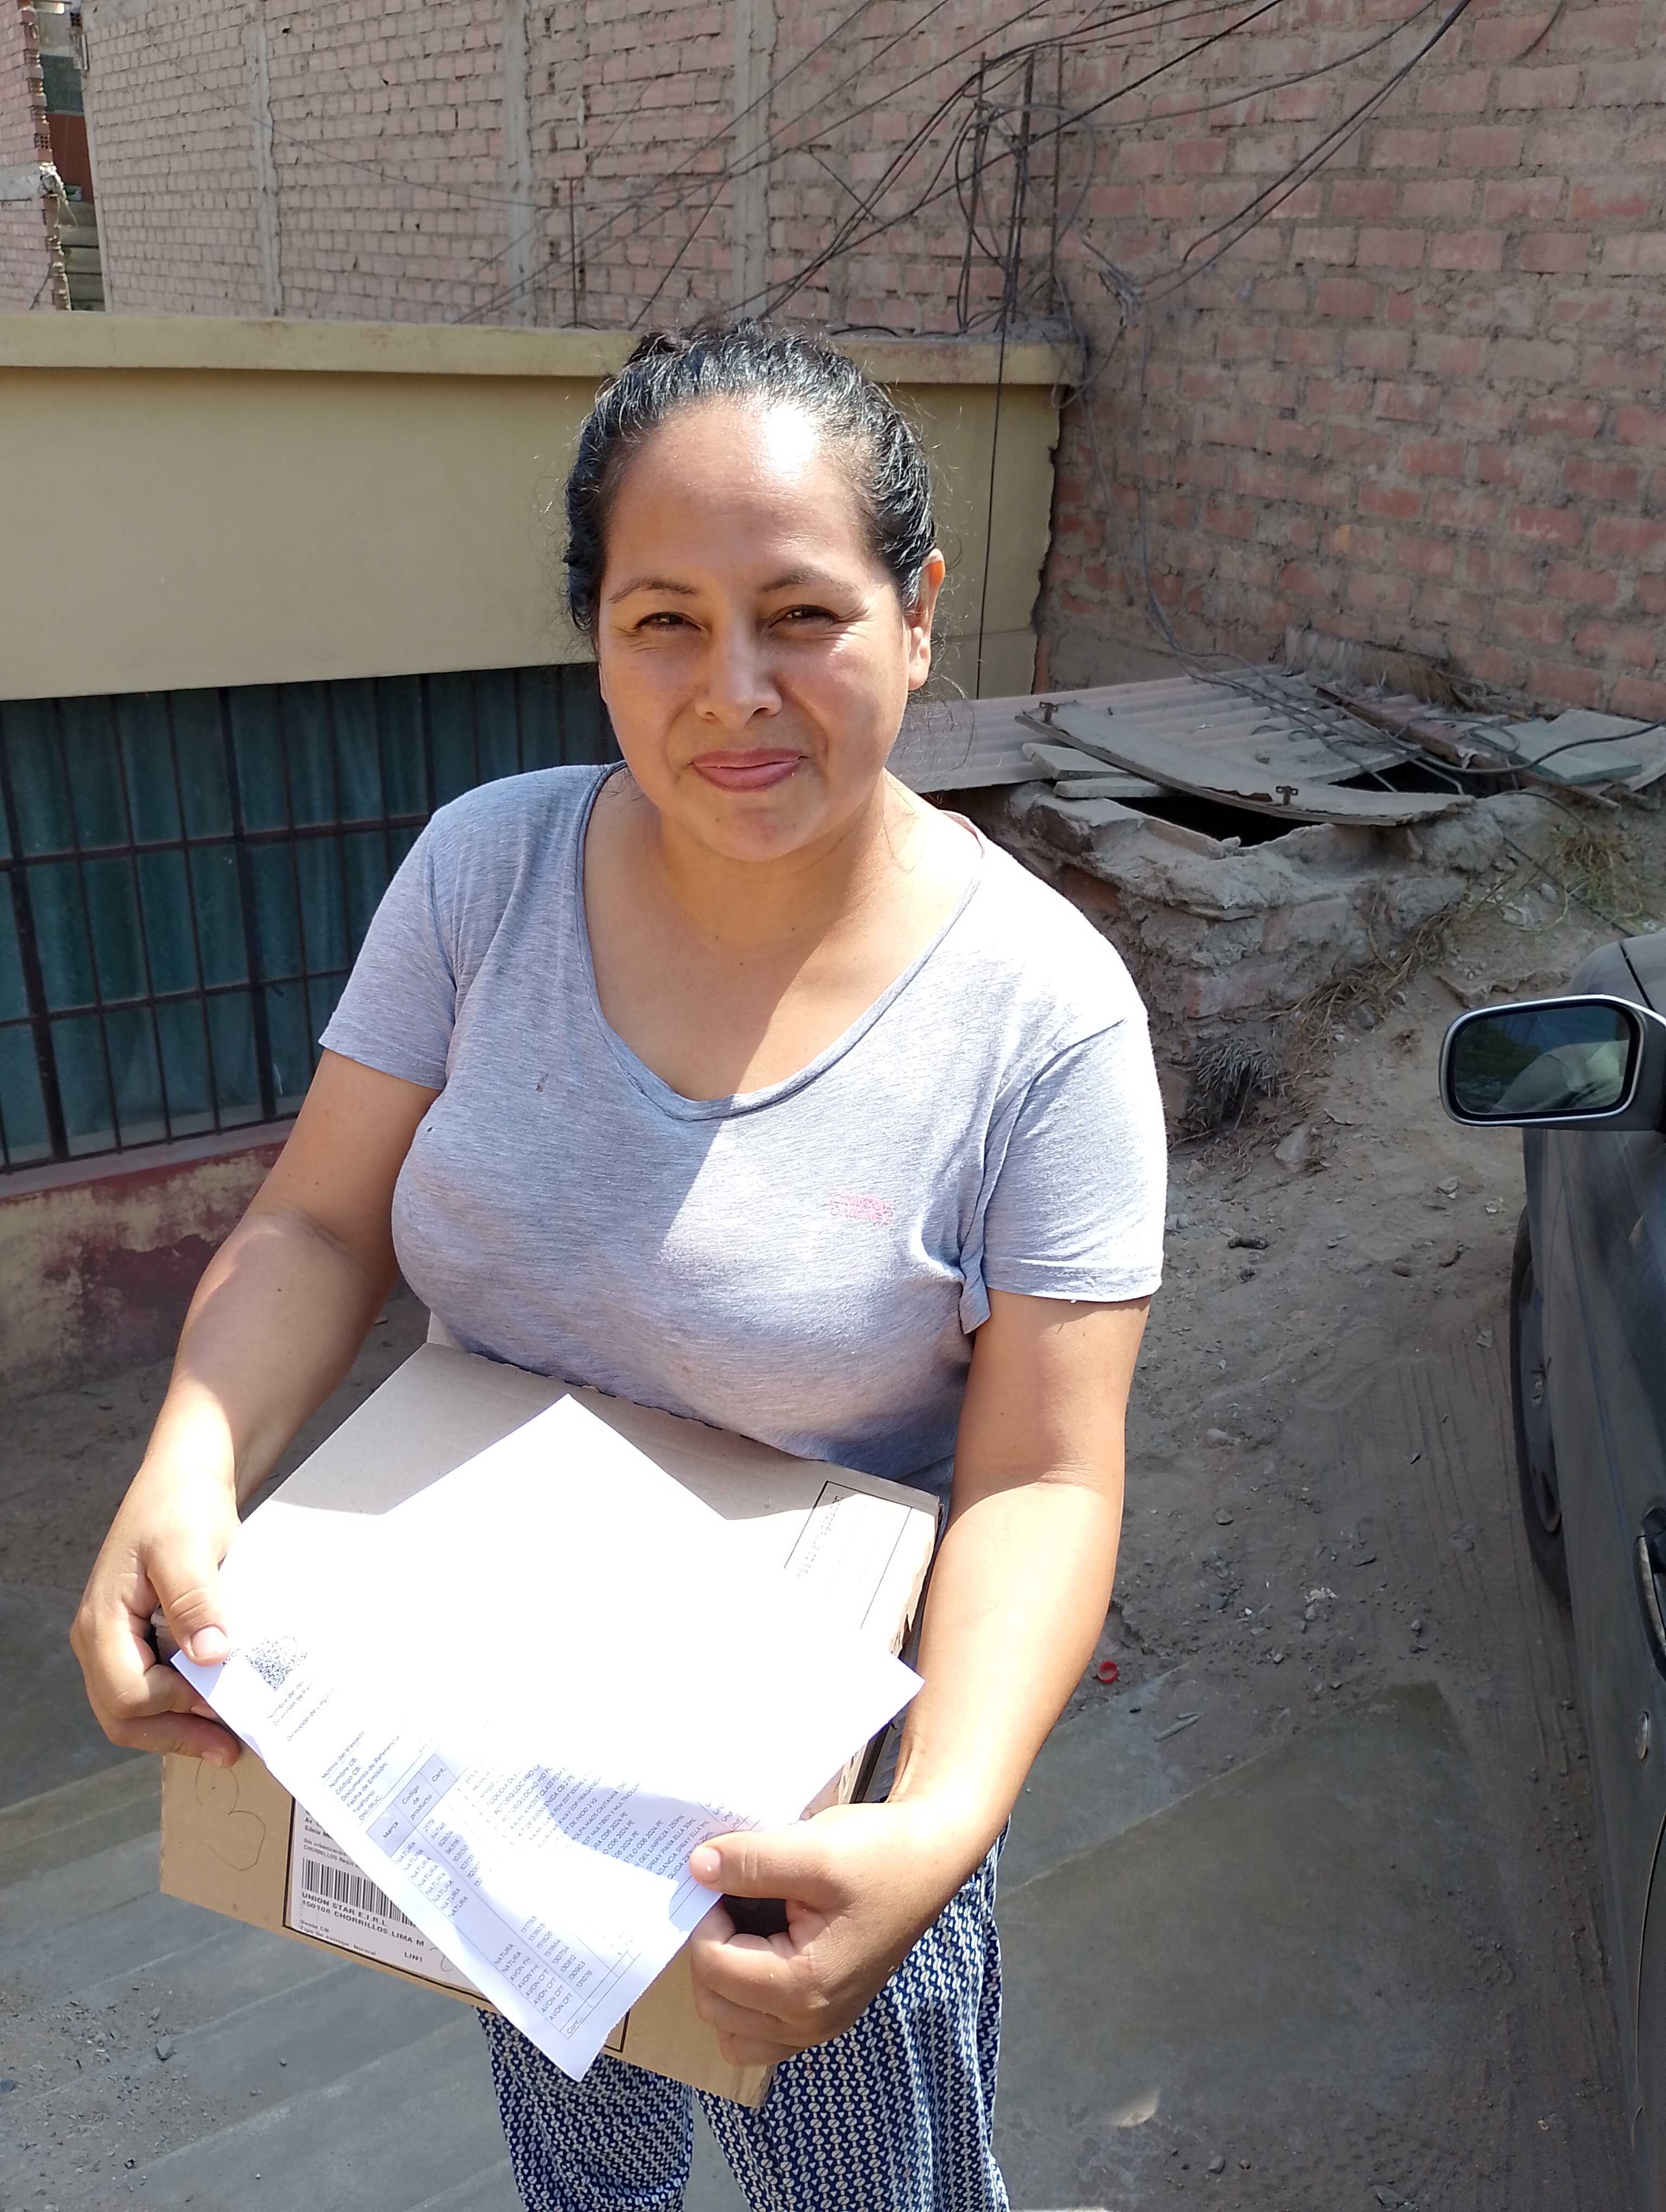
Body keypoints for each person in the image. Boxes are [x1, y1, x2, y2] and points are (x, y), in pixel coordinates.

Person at [72, 321, 1167, 2212]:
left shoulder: (1042, 1021)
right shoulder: (480, 878)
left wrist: (940, 1819)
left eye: (802, 615)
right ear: (595, 633)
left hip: (821, 1799)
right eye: (665, 621)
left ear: (916, 615)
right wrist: (185, 1464)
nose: (735, 692)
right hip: (492, 1735)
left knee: (870, 2186)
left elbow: (1048, 1478)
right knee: (582, 2165)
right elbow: (319, 1220)